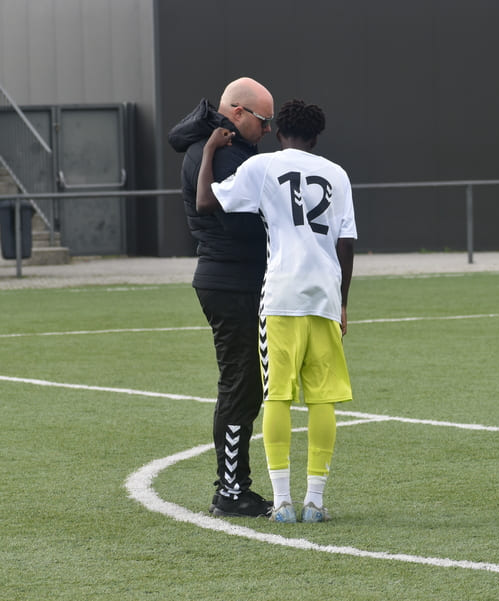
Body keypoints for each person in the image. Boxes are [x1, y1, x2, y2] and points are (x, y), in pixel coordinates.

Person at [196, 99, 356, 523]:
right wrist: (342, 302)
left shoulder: (262, 166)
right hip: (323, 296)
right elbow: (346, 244)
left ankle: (283, 501)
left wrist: (210, 150)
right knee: (323, 399)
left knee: (277, 396)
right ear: (317, 136)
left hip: (281, 297)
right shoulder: (337, 174)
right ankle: (316, 501)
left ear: (280, 130)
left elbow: (207, 203)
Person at [167, 77, 275, 517]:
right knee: (239, 384)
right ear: (237, 113)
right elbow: (238, 221)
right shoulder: (224, 155)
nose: (267, 131)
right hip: (231, 281)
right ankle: (231, 489)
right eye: (263, 121)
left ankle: (232, 486)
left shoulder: (218, 150)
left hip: (229, 279)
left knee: (244, 384)